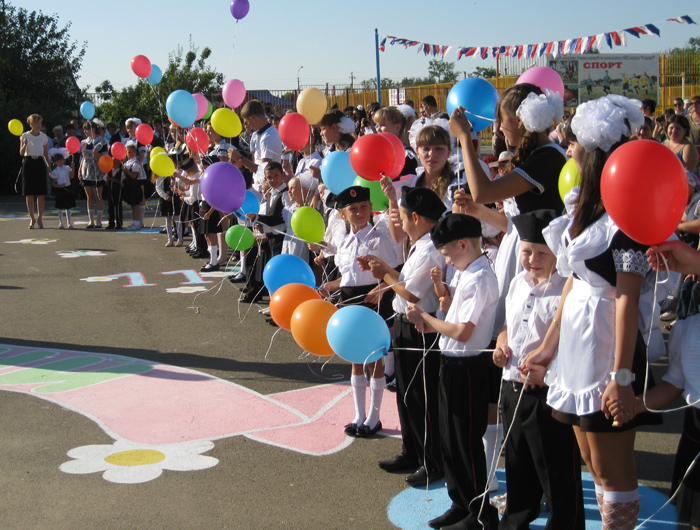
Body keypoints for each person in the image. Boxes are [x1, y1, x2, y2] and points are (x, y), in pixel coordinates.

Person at [523, 95, 660, 530]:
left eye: (575, 143)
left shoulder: (628, 218)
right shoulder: (583, 207)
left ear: (597, 152)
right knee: (588, 457)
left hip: (608, 347)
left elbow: (627, 300)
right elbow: (574, 283)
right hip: (579, 345)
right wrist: (549, 347)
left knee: (610, 466)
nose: (568, 149)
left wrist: (622, 378)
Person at [404, 213, 500, 530]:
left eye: (447, 253)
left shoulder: (480, 277)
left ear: (462, 243)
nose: (447, 260)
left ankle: (481, 513)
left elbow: (463, 332)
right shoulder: (467, 273)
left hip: (469, 368)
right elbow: (452, 317)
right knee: (449, 439)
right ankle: (460, 501)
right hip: (452, 362)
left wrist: (426, 317)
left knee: (466, 442)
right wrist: (434, 324)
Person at [493, 209, 584, 530]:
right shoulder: (518, 282)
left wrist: (547, 371)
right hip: (513, 386)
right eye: (527, 251)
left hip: (549, 392)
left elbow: (574, 343)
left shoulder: (569, 291)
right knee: (518, 465)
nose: (533, 259)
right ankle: (516, 520)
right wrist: (502, 346)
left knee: (556, 470)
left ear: (559, 253)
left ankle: (565, 524)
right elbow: (508, 325)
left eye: (543, 252)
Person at [362, 187, 447, 488]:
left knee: (422, 396)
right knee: (407, 394)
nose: (398, 220)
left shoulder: (432, 248)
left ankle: (432, 460)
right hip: (404, 323)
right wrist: (384, 273)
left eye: (402, 214)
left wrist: (384, 274)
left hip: (420, 329)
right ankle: (412, 451)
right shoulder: (420, 244)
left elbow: (412, 292)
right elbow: (405, 281)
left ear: (415, 217)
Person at [316, 186, 397, 438]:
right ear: (342, 214)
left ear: (370, 208)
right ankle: (358, 415)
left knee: (373, 359)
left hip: (374, 300)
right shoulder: (344, 242)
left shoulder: (379, 240)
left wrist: (381, 289)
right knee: (354, 357)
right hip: (351, 300)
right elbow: (346, 278)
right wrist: (328, 286)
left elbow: (396, 276)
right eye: (353, 209)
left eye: (363, 207)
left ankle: (374, 417)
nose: (359, 212)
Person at [228, 100, 284, 193]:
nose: (246, 125)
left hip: (266, 191)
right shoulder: (262, 134)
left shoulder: (267, 137)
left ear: (253, 119)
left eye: (247, 121)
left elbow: (266, 171)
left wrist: (240, 159)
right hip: (262, 188)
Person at [19, 114, 50, 229]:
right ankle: (32, 218)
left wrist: (49, 166)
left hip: (39, 163)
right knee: (29, 193)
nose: (39, 125)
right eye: (37, 123)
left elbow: (46, 153)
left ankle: (40, 218)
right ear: (31, 124)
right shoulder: (25, 136)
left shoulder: (43, 136)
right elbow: (21, 153)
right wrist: (24, 145)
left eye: (40, 123)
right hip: (28, 163)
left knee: (41, 193)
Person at [78, 120, 108, 228]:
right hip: (86, 171)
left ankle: (99, 220)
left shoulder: (102, 142)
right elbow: (83, 158)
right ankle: (91, 220)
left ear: (93, 129)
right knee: (89, 196)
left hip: (97, 171)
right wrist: (79, 170)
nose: (84, 131)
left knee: (98, 196)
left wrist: (98, 154)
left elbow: (106, 159)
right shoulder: (84, 142)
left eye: (86, 129)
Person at [121, 142, 145, 230]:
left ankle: (137, 222)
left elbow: (134, 176)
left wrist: (126, 170)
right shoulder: (128, 162)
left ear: (135, 153)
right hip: (129, 186)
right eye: (129, 152)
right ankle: (135, 221)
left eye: (132, 152)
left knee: (136, 205)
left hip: (134, 186)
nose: (130, 154)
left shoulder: (135, 163)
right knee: (132, 205)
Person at [49, 149, 75, 229]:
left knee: (68, 207)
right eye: (58, 161)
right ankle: (61, 223)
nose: (60, 162)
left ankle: (69, 223)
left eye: (61, 160)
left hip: (68, 188)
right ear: (55, 162)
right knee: (60, 207)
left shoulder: (67, 168)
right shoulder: (55, 171)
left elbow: (72, 176)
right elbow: (53, 183)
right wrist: (59, 186)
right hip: (60, 189)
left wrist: (73, 167)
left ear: (63, 160)